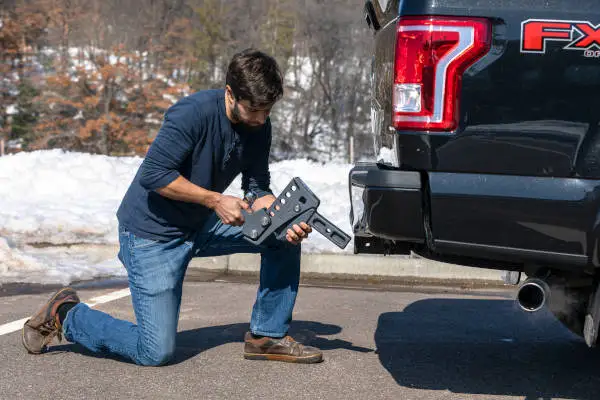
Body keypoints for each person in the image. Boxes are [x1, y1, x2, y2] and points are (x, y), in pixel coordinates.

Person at [21, 49, 322, 366]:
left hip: (200, 223)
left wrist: (278, 214)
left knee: (282, 236)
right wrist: (215, 199)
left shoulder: (260, 125)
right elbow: (154, 175)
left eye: (267, 110)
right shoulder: (192, 114)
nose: (261, 119)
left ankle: (266, 336)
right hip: (152, 235)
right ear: (230, 93)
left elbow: (257, 185)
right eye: (254, 110)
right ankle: (66, 314)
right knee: (154, 352)